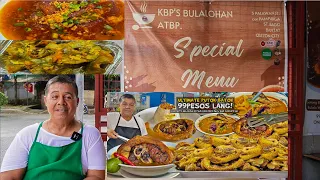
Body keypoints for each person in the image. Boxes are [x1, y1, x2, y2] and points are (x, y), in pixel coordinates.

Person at [0, 76, 106, 180]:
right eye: (55, 97)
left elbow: (96, 176)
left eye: (68, 97)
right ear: (45, 100)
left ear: (77, 102)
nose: (61, 102)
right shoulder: (27, 134)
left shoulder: (90, 134)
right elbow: (9, 176)